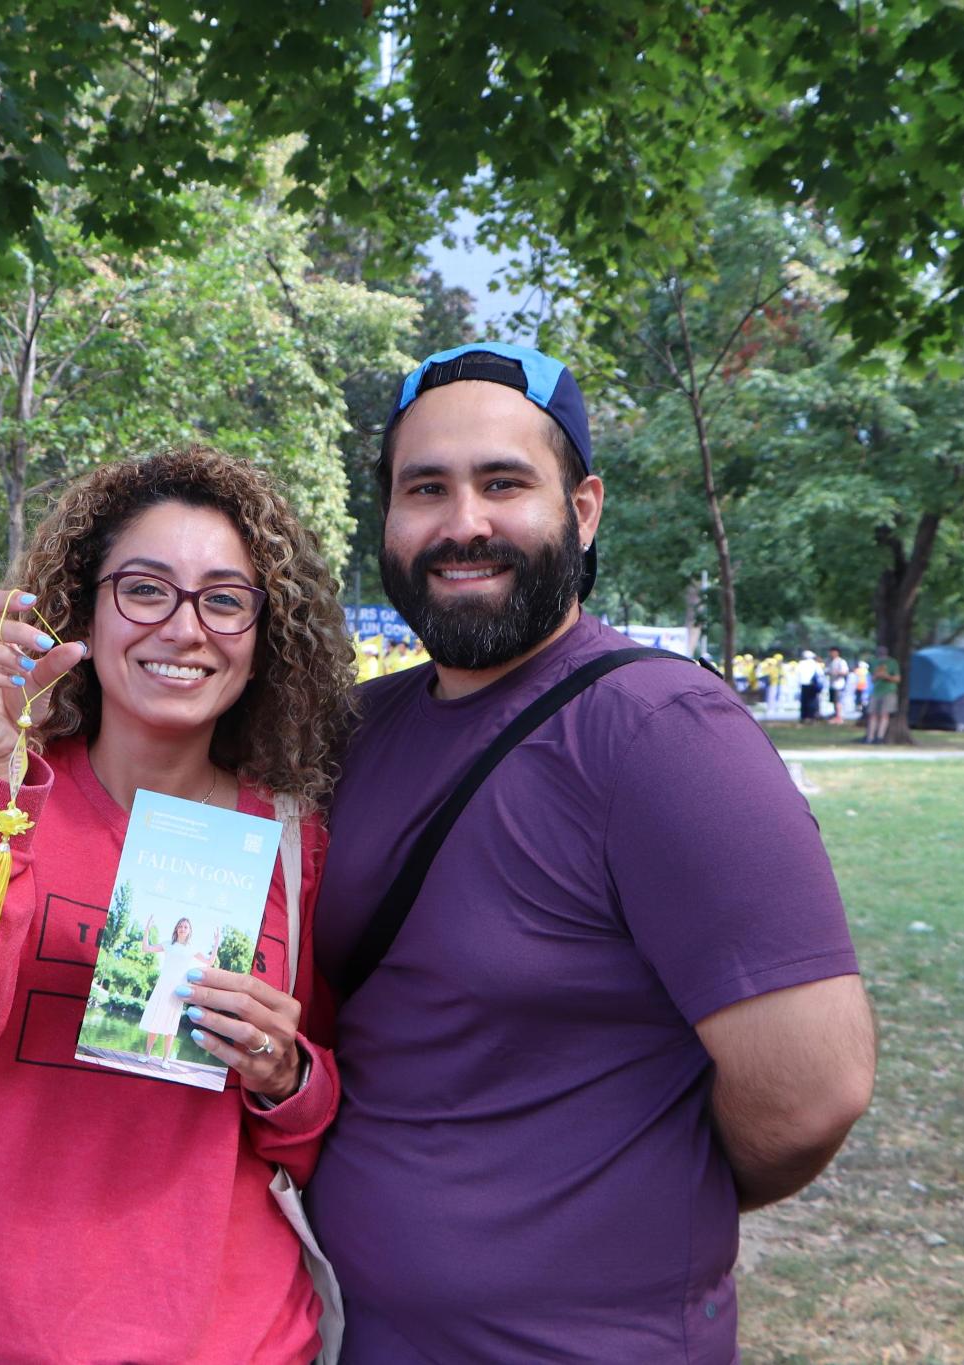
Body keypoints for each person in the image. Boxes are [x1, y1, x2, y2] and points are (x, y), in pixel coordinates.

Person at [307, 342, 874, 1362]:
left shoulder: (665, 735)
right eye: (425, 488)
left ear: (582, 509)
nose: (462, 522)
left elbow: (809, 1090)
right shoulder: (352, 729)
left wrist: (627, 1193)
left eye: (503, 483)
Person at [0, 446, 352, 1363]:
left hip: (228, 1335)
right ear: (84, 613)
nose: (184, 628)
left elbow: (321, 1111)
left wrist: (281, 1070)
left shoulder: (298, 843)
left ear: (263, 637)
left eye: (225, 599)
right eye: (144, 590)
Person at [138, 915, 215, 1066]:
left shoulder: (192, 949)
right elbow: (146, 948)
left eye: (185, 927)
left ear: (189, 930)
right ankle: (147, 1054)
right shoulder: (168, 944)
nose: (182, 929)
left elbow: (210, 962)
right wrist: (147, 929)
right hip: (162, 987)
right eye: (180, 926)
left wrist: (216, 942)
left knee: (171, 1024)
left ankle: (165, 1059)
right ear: (176, 929)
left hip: (178, 990)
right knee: (155, 1020)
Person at [865, 649, 901, 743]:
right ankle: (870, 737)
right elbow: (871, 678)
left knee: (884, 714)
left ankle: (880, 737)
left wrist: (886, 676)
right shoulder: (873, 662)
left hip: (889, 691)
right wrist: (877, 676)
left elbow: (897, 679)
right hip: (875, 691)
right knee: (873, 714)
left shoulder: (892, 662)